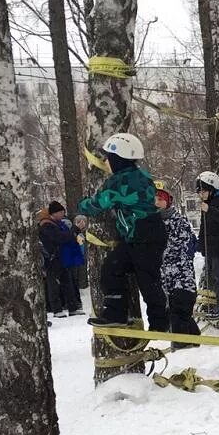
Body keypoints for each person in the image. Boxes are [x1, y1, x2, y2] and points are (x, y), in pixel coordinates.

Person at [77, 133, 169, 331]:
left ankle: (159, 322)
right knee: (114, 268)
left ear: (117, 160)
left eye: (108, 158)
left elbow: (98, 204)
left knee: (146, 279)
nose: (106, 163)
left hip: (144, 235)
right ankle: (117, 314)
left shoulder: (120, 181)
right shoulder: (141, 175)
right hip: (142, 235)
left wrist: (81, 205)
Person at [155, 188, 200, 347]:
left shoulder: (178, 220)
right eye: (154, 199)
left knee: (181, 306)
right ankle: (194, 340)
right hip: (165, 276)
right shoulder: (151, 221)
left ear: (168, 202)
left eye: (160, 199)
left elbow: (179, 245)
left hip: (181, 273)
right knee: (176, 308)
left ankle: (182, 344)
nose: (157, 202)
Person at [196, 170, 219, 319]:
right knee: (211, 274)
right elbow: (204, 226)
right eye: (199, 192)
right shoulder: (208, 203)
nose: (201, 194)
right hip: (210, 245)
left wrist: (209, 210)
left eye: (204, 191)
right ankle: (215, 303)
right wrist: (200, 243)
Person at [39, 201, 83, 318]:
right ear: (54, 213)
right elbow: (61, 238)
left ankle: (72, 307)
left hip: (61, 257)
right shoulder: (47, 225)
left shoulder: (57, 223)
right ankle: (57, 309)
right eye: (61, 212)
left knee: (67, 282)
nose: (63, 213)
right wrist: (75, 229)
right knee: (53, 283)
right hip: (52, 258)